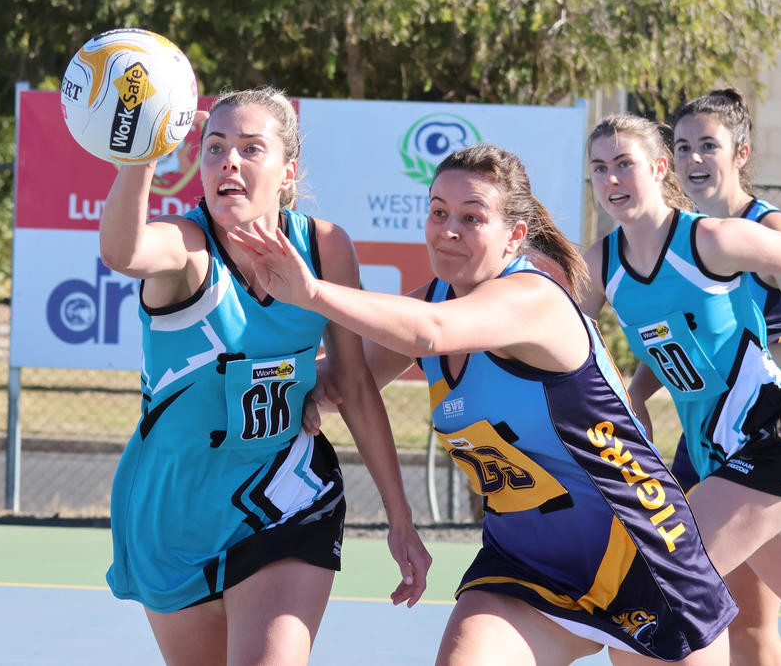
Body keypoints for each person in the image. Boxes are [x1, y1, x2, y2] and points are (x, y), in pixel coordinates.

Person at [233, 143, 736, 664]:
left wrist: (312, 292)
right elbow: (347, 379)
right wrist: (284, 383)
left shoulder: (533, 299)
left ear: (514, 236)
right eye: (438, 212)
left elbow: (430, 333)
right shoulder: (434, 299)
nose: (448, 230)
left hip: (641, 556)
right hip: (526, 564)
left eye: (471, 218)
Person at [99, 87, 430, 665]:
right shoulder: (187, 248)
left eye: (251, 148)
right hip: (177, 506)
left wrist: (399, 516)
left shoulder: (324, 247)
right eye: (215, 147)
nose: (229, 161)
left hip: (286, 493)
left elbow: (353, 384)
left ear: (287, 171)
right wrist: (142, 154)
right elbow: (123, 253)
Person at [578, 113, 781, 666]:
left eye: (624, 164)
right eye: (599, 168)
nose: (611, 179)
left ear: (659, 168)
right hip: (718, 463)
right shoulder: (601, 264)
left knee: (649, 601)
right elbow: (565, 342)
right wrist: (627, 396)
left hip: (772, 446)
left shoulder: (710, 239)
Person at [663, 87, 781, 665]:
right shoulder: (684, 234)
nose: (693, 159)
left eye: (708, 145)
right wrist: (635, 395)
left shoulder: (770, 228)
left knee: (752, 622)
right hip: (710, 431)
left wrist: (739, 367)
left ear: (741, 153)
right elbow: (685, 339)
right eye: (682, 147)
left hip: (773, 431)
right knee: (720, 615)